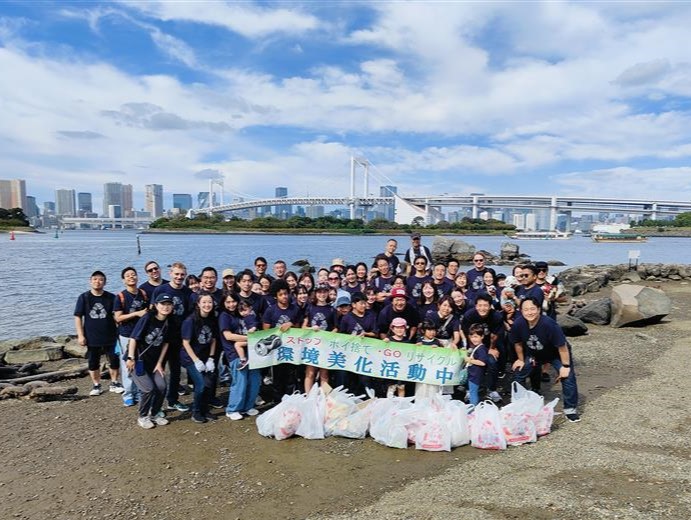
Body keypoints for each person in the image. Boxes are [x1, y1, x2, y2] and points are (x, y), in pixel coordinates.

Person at [510, 297, 581, 422]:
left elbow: (562, 346)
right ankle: (521, 402)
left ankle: (570, 409)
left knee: (567, 376)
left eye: (532, 309)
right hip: (534, 352)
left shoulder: (549, 324)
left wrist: (565, 366)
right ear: (521, 311)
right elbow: (518, 343)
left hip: (556, 353)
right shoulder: (518, 324)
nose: (529, 312)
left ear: (538, 309)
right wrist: (520, 359)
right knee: (520, 371)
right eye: (525, 310)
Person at [125, 294, 174, 429]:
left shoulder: (169, 321)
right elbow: (134, 338)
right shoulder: (147, 318)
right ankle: (143, 416)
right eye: (162, 304)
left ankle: (155, 412)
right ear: (156, 305)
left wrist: (159, 363)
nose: (165, 307)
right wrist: (130, 358)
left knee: (162, 386)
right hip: (137, 361)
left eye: (168, 304)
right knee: (148, 389)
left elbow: (166, 344)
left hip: (154, 362)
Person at [74, 270, 122, 397]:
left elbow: (116, 316)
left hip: (110, 335)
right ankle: (96, 385)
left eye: (100, 279)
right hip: (91, 336)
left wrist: (120, 333)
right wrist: (80, 335)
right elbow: (78, 317)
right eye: (95, 279)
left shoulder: (111, 297)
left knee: (114, 360)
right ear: (90, 281)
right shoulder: (84, 297)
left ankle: (115, 382)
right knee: (93, 362)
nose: (97, 281)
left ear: (104, 282)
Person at [152, 262, 192, 413]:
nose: (179, 277)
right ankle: (156, 404)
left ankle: (172, 400)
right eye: (176, 274)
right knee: (158, 370)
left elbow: (189, 316)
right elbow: (152, 311)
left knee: (175, 371)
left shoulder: (187, 292)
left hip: (178, 338)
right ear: (170, 274)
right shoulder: (161, 289)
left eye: (182, 274)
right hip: (161, 337)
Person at [219, 293, 260, 421]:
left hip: (251, 351)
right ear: (224, 304)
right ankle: (233, 409)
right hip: (234, 353)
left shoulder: (241, 314)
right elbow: (228, 336)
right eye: (228, 302)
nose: (231, 305)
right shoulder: (224, 316)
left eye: (233, 302)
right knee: (240, 381)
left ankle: (248, 406)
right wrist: (250, 338)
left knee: (254, 379)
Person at [262, 280, 303, 401]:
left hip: (290, 348)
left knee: (291, 375)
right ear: (276, 296)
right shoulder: (271, 310)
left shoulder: (294, 309)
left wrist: (291, 324)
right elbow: (266, 331)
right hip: (276, 349)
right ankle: (277, 400)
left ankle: (290, 399)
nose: (284, 296)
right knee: (277, 376)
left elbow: (299, 329)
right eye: (281, 294)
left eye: (286, 293)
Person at [114, 266, 149, 406]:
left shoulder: (143, 294)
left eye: (133, 275)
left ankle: (140, 391)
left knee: (140, 363)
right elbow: (118, 318)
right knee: (127, 364)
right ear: (123, 280)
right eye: (128, 276)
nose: (131, 277)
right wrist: (136, 314)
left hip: (141, 334)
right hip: (127, 335)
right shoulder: (121, 297)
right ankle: (128, 393)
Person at [181, 293, 217, 423]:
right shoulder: (190, 321)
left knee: (209, 383)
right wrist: (196, 361)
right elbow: (185, 343)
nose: (207, 305)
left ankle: (204, 410)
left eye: (210, 302)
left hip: (205, 356)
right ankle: (196, 412)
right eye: (204, 302)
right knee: (201, 384)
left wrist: (211, 358)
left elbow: (213, 340)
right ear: (198, 304)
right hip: (190, 357)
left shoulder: (212, 319)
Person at [461, 293, 504, 402]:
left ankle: (492, 389)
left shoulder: (496, 316)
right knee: (470, 364)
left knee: (492, 362)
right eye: (480, 305)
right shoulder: (469, 315)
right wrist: (470, 349)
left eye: (485, 305)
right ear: (475, 306)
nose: (482, 308)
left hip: (489, 344)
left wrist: (492, 348)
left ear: (490, 306)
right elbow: (465, 332)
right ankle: (469, 390)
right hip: (472, 344)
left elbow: (495, 335)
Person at [302, 283, 335, 391]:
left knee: (324, 374)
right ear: (315, 294)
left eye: (324, 292)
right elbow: (303, 327)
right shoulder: (310, 308)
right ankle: (308, 397)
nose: (322, 294)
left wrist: (329, 334)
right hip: (312, 344)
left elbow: (336, 328)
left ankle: (325, 397)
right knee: (310, 373)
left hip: (326, 345)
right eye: (319, 292)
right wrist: (312, 329)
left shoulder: (332, 310)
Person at [414, 319, 444, 398]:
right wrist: (416, 348)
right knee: (421, 389)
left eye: (434, 330)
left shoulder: (437, 342)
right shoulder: (419, 341)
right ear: (423, 331)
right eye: (429, 330)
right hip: (421, 370)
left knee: (432, 390)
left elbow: (443, 356)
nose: (432, 332)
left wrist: (439, 349)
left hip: (433, 370)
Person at [383, 317, 409, 397]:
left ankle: (401, 405)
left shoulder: (407, 341)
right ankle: (390, 404)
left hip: (402, 369)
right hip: (391, 367)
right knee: (391, 387)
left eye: (402, 327)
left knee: (401, 387)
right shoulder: (389, 341)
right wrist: (384, 343)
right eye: (397, 327)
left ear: (405, 328)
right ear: (393, 329)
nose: (399, 330)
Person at [465, 323, 490, 406]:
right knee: (472, 392)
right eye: (471, 337)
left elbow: (482, 363)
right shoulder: (477, 347)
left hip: (476, 375)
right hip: (473, 374)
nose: (473, 339)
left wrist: (470, 360)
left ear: (482, 336)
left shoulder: (481, 349)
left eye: (476, 337)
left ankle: (473, 409)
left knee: (473, 393)